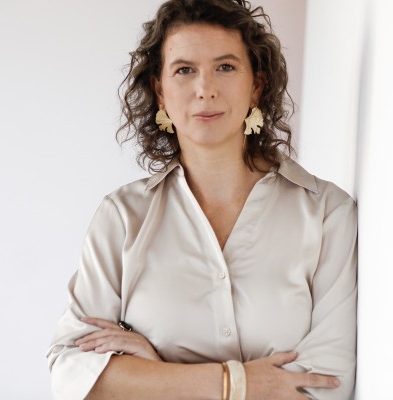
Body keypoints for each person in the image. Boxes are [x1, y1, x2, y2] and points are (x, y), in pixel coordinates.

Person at [47, 0, 357, 399]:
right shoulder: (122, 217)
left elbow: (326, 387)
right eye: (184, 70)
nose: (205, 89)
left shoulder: (327, 213)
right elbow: (71, 374)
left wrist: (155, 375)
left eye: (225, 67)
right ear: (160, 91)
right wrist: (236, 383)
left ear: (256, 86)